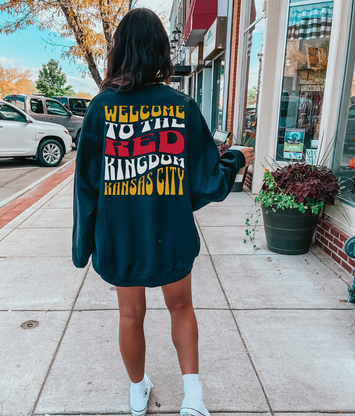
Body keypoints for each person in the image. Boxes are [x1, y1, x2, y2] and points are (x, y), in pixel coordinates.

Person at [72, 8, 255, 416]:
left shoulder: (101, 109)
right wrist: (236, 159)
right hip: (169, 231)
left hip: (119, 235)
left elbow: (86, 186)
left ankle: (138, 394)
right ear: (160, 51)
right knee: (181, 307)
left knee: (130, 314)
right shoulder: (181, 106)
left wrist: (83, 244)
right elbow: (207, 181)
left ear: (119, 51)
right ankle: (193, 399)